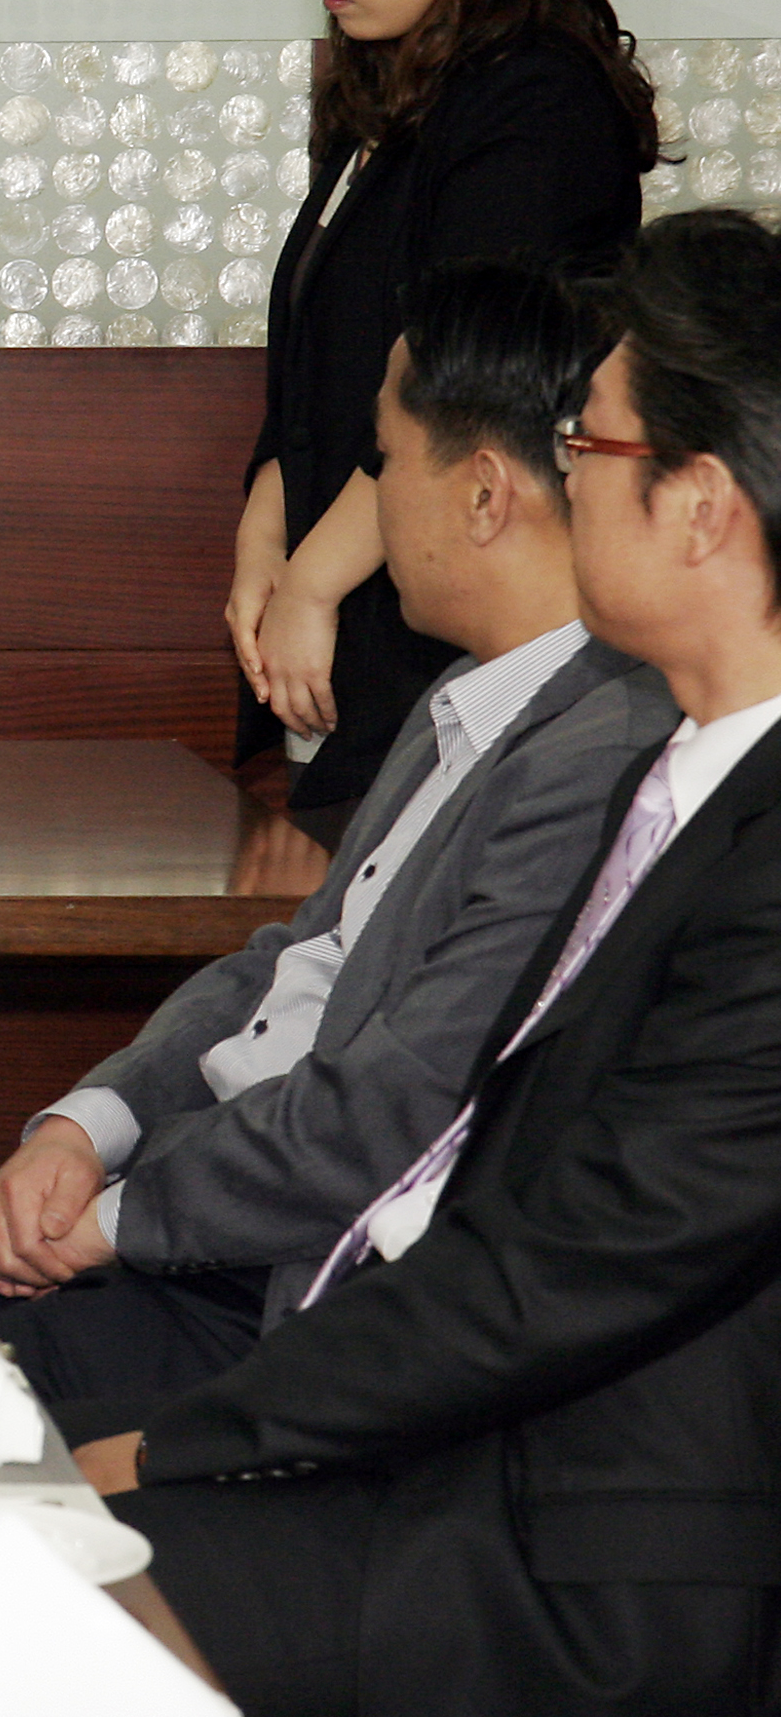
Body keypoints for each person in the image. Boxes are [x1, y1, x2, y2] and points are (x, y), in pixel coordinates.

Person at [83, 210, 781, 1715]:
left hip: (607, 1546)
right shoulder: (674, 769)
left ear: (703, 505)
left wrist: (202, 1436)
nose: (547, 483)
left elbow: (581, 1255)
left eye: (584, 449)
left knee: (45, 1588)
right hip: (468, 1428)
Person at [0, 260, 674, 1417]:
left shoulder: (599, 755)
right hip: (186, 1224)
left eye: (386, 461)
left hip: (282, 1301)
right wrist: (87, 1128)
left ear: (485, 491)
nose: (377, 501)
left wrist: (110, 1219)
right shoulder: (469, 699)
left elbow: (395, 1111)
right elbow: (295, 958)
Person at [227, 0, 658, 812]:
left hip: (449, 640)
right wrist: (261, 543)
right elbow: (317, 367)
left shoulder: (537, 100)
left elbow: (458, 384)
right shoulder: (383, 89)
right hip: (345, 637)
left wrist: (315, 579)